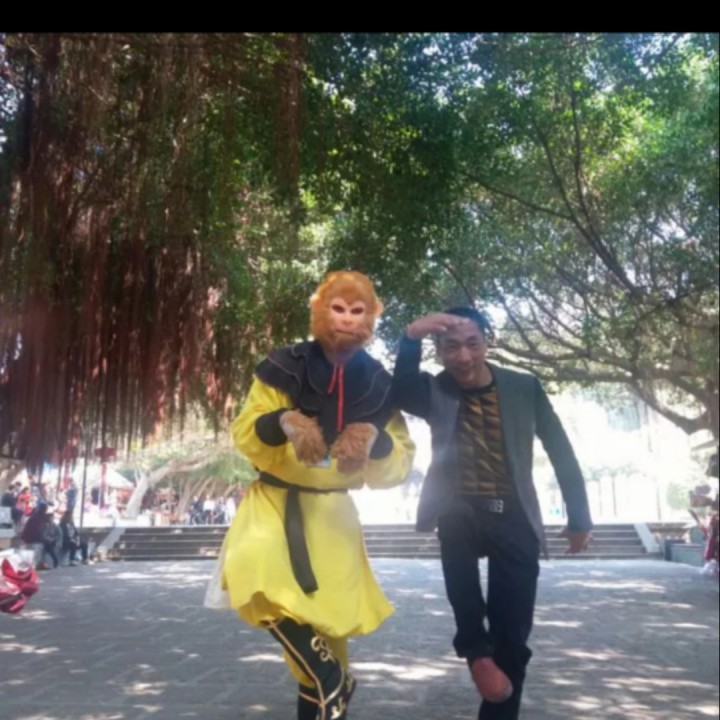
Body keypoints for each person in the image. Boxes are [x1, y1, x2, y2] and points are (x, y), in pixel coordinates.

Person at [205, 271, 414, 720]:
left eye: (356, 311)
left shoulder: (379, 382)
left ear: (371, 317)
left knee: (327, 630)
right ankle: (330, 675)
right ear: (320, 311)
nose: (346, 319)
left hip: (334, 516)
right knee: (251, 570)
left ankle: (328, 682)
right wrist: (283, 421)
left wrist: (374, 439)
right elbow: (246, 428)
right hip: (274, 501)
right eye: (338, 308)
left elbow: (400, 461)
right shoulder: (284, 365)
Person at [391, 308, 592, 720]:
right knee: (457, 533)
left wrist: (579, 519)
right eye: (451, 347)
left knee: (512, 637)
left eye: (473, 344)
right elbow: (401, 391)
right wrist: (410, 338)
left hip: (512, 513)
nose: (463, 357)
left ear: (488, 342)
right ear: (439, 350)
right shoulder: (435, 389)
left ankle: (496, 695)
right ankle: (474, 648)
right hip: (459, 508)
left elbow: (560, 449)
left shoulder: (523, 387)